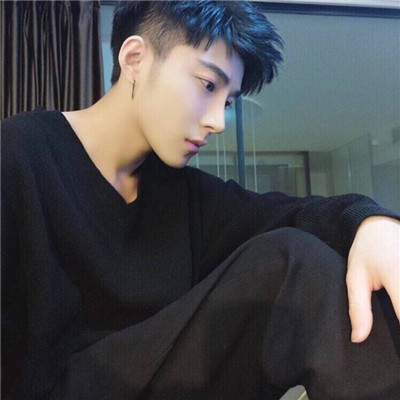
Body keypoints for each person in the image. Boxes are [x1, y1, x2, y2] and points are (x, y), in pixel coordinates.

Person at [1, 1, 399, 399]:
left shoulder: (186, 197)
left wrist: (373, 223)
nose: (218, 122)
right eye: (208, 85)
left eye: (226, 102)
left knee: (308, 262)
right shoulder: (17, 155)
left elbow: (294, 215)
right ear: (135, 58)